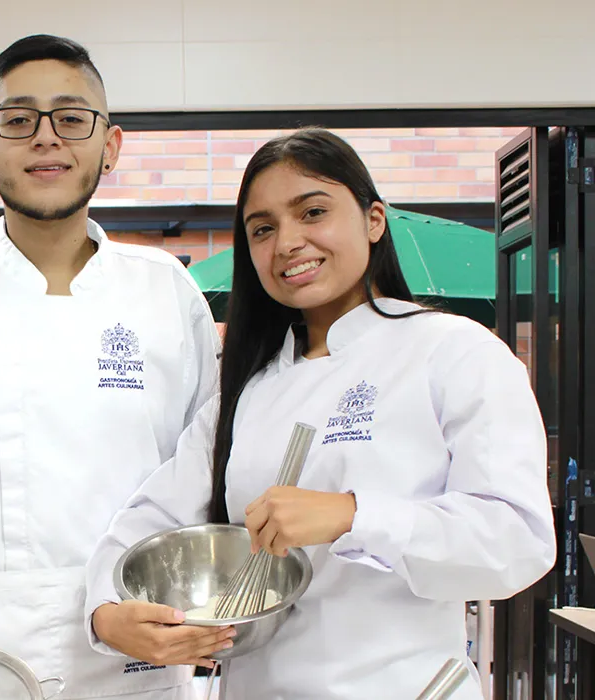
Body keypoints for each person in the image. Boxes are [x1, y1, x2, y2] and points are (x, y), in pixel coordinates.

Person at [84, 128, 557, 699]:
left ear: (374, 220)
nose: (287, 242)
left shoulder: (455, 352)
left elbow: (518, 542)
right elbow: (148, 519)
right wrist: (106, 615)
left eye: (312, 212)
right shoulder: (246, 394)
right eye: (263, 229)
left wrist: (353, 516)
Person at [0, 35, 221, 699]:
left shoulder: (164, 291)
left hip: (138, 645)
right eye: (18, 120)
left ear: (112, 144)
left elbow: (208, 471)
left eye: (72, 118)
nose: (47, 138)